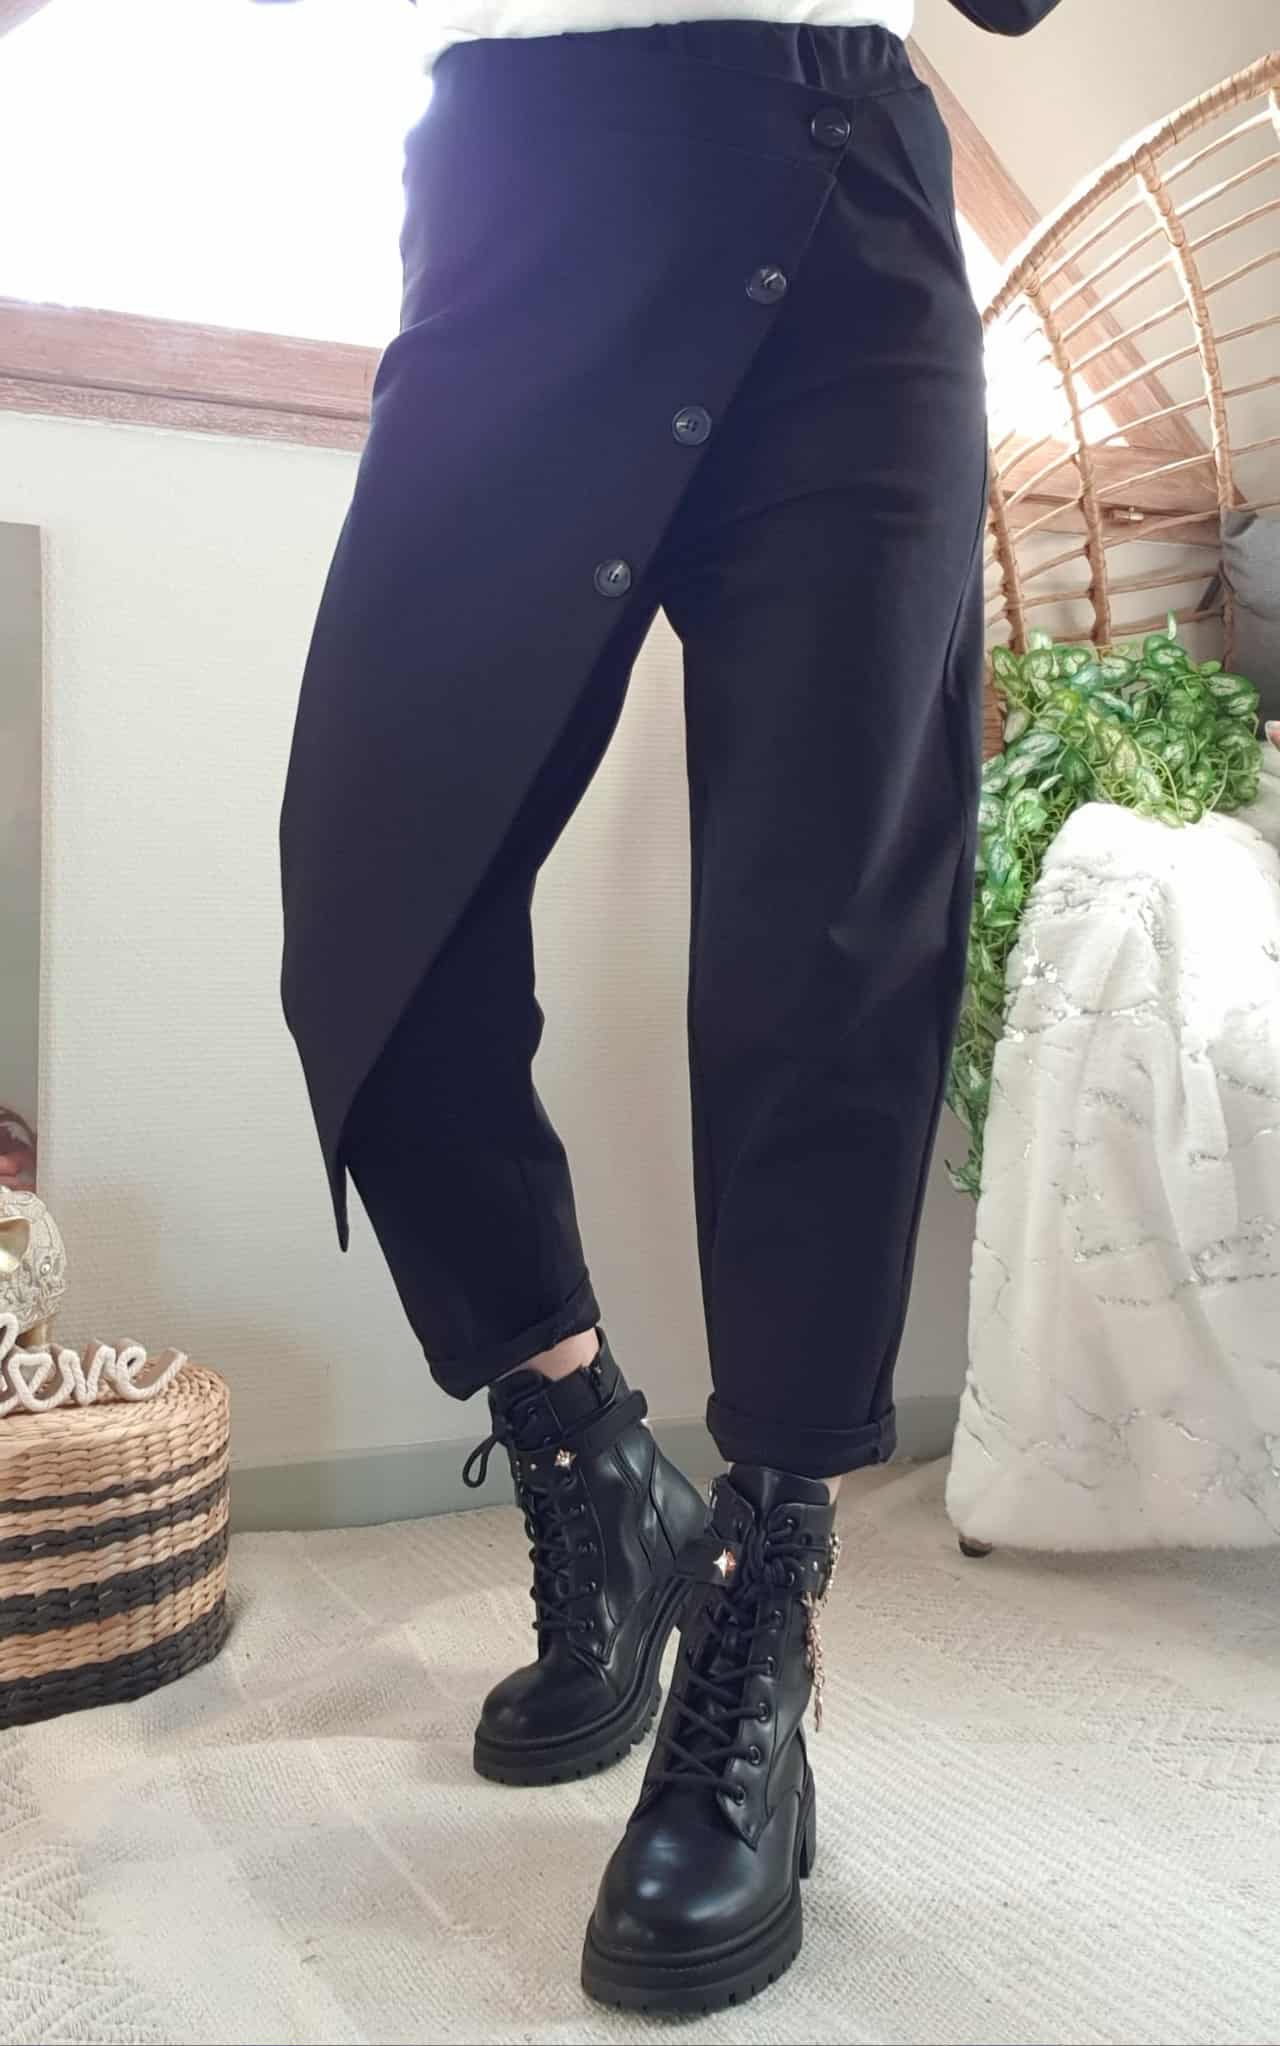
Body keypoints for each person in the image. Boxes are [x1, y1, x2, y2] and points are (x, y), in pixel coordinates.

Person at [277, 0, 1067, 2013]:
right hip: (518, 189)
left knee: (822, 955)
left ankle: (753, 1621)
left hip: (838, 199)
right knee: (373, 908)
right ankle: (590, 1455)